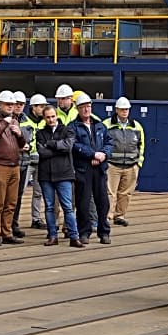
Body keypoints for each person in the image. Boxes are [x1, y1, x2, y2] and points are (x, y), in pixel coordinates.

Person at [35, 105, 83, 248]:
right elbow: (42, 152)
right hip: (46, 175)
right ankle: (52, 235)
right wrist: (58, 148)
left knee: (67, 207)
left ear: (56, 116)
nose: (50, 119)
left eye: (52, 116)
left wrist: (50, 144)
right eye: (47, 117)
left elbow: (68, 146)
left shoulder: (67, 130)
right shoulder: (40, 133)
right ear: (44, 118)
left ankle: (74, 237)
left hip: (64, 174)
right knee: (49, 207)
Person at [70, 93, 113, 245]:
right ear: (78, 109)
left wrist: (103, 155)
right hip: (83, 169)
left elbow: (109, 142)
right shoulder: (73, 127)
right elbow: (74, 145)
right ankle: (84, 232)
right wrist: (92, 154)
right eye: (83, 107)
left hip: (100, 169)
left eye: (88, 106)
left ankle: (104, 232)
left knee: (103, 202)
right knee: (83, 202)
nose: (86, 110)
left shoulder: (100, 125)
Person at [0, 91, 26, 246]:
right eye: (7, 104)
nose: (11, 106)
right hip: (0, 165)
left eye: (12, 104)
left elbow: (22, 145)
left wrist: (20, 134)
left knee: (11, 202)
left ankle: (7, 232)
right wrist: (6, 123)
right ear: (0, 105)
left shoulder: (15, 122)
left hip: (14, 165)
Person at [103, 97, 144, 227]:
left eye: (126, 109)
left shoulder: (136, 126)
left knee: (126, 193)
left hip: (131, 165)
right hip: (112, 165)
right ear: (116, 110)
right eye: (122, 109)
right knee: (109, 193)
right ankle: (106, 217)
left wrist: (139, 163)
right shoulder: (106, 125)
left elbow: (141, 145)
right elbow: (102, 143)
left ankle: (120, 215)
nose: (124, 111)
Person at [10, 91, 32, 238]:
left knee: (18, 196)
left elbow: (32, 140)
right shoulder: (6, 119)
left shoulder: (27, 121)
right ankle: (5, 226)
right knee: (7, 197)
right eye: (16, 103)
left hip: (24, 162)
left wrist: (29, 146)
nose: (19, 106)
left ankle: (14, 224)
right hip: (11, 162)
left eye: (21, 104)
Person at [26, 94, 49, 229]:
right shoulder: (25, 121)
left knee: (38, 192)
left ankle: (36, 219)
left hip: (41, 159)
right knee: (20, 190)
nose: (43, 109)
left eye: (44, 106)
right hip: (27, 159)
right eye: (40, 106)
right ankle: (13, 220)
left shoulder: (44, 122)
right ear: (33, 107)